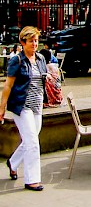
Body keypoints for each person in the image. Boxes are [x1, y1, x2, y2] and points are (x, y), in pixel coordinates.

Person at [0, 26, 47, 191]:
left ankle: (12, 163)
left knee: (30, 139)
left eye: (36, 41)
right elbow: (8, 85)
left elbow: (43, 81)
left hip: (37, 105)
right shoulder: (17, 60)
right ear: (22, 42)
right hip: (21, 105)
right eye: (31, 41)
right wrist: (2, 107)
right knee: (33, 142)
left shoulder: (41, 59)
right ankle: (32, 180)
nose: (34, 44)